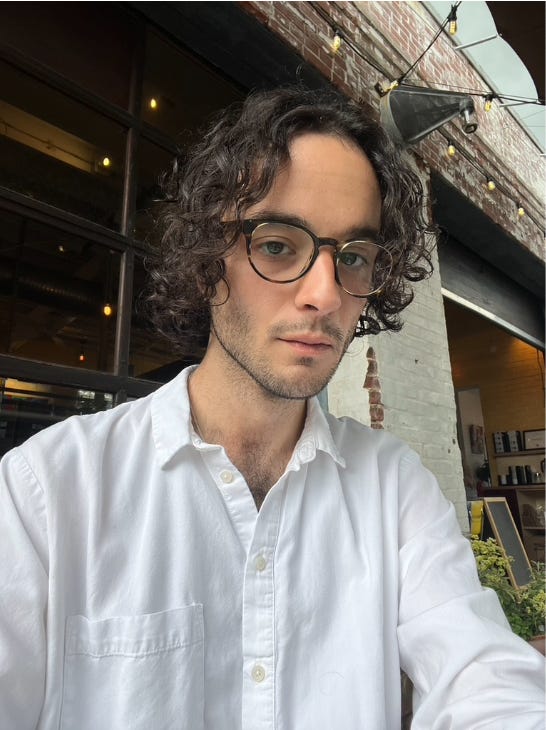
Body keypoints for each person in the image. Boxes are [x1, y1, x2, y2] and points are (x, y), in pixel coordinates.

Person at [0, 86, 543, 730]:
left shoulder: (394, 489)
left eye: (354, 257)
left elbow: (482, 678)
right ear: (208, 262)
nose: (325, 294)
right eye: (278, 245)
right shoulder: (48, 491)